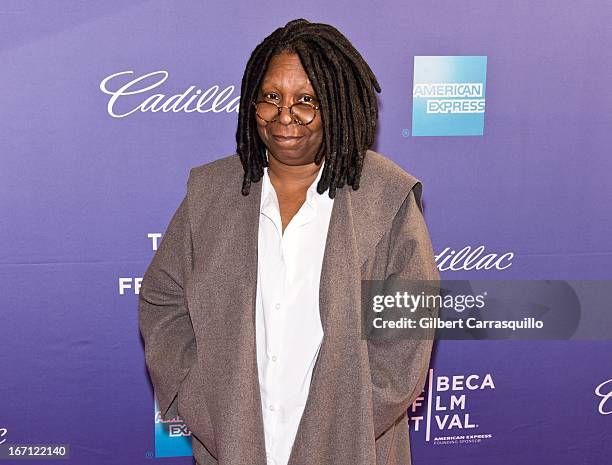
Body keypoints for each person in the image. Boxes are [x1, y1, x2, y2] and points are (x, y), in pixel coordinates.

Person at [139, 18, 439, 465]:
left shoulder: (385, 197)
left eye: (307, 101)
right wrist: (199, 397)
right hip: (235, 447)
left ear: (337, 105)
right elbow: (163, 299)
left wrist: (345, 422)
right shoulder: (212, 191)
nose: (285, 117)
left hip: (354, 448)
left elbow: (408, 324)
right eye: (271, 98)